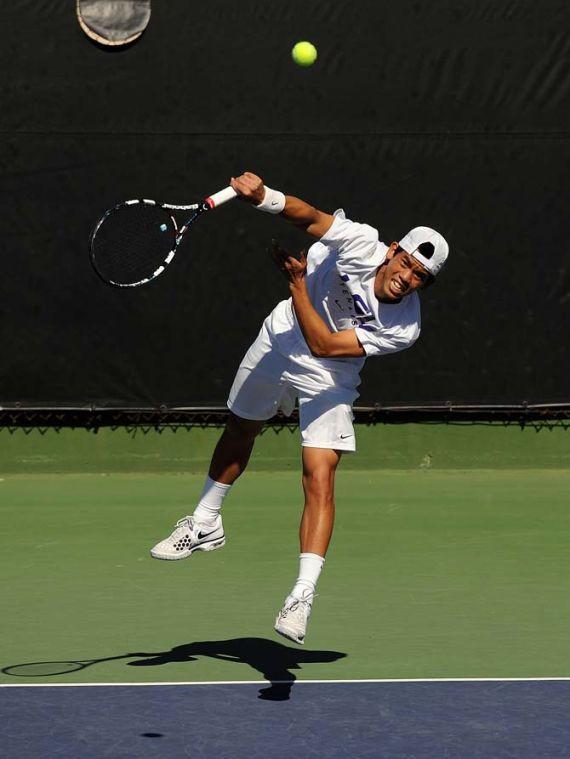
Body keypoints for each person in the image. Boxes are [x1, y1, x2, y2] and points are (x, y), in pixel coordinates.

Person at [150, 172, 449, 645]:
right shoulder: (360, 242)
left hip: (328, 372)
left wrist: (297, 285)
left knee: (319, 474)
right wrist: (262, 197)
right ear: (393, 250)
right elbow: (307, 216)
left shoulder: (404, 328)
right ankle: (205, 521)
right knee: (241, 427)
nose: (407, 279)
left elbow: (328, 346)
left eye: (420, 278)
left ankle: (301, 597)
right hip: (282, 335)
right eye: (407, 264)